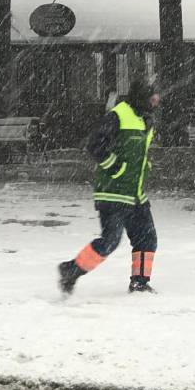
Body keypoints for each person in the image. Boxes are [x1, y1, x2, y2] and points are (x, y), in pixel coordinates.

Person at [58, 79, 160, 295]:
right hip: (113, 192)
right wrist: (116, 169)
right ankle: (71, 270)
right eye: (153, 96)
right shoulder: (118, 115)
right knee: (110, 241)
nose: (157, 100)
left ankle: (140, 283)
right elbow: (95, 145)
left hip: (135, 194)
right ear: (142, 96)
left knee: (147, 238)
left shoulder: (146, 119)